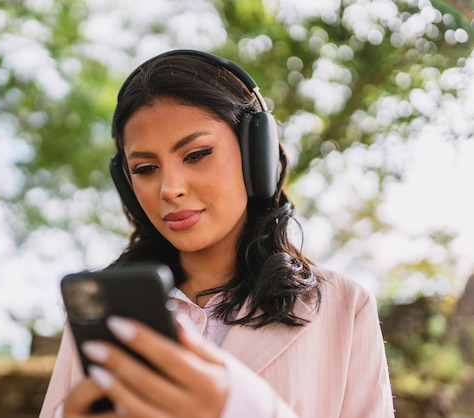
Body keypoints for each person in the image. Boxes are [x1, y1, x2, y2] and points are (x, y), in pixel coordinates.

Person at [39, 49, 395, 418]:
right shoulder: (103, 303)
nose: (169, 189)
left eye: (196, 154)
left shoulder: (344, 307)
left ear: (256, 155)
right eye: (145, 167)